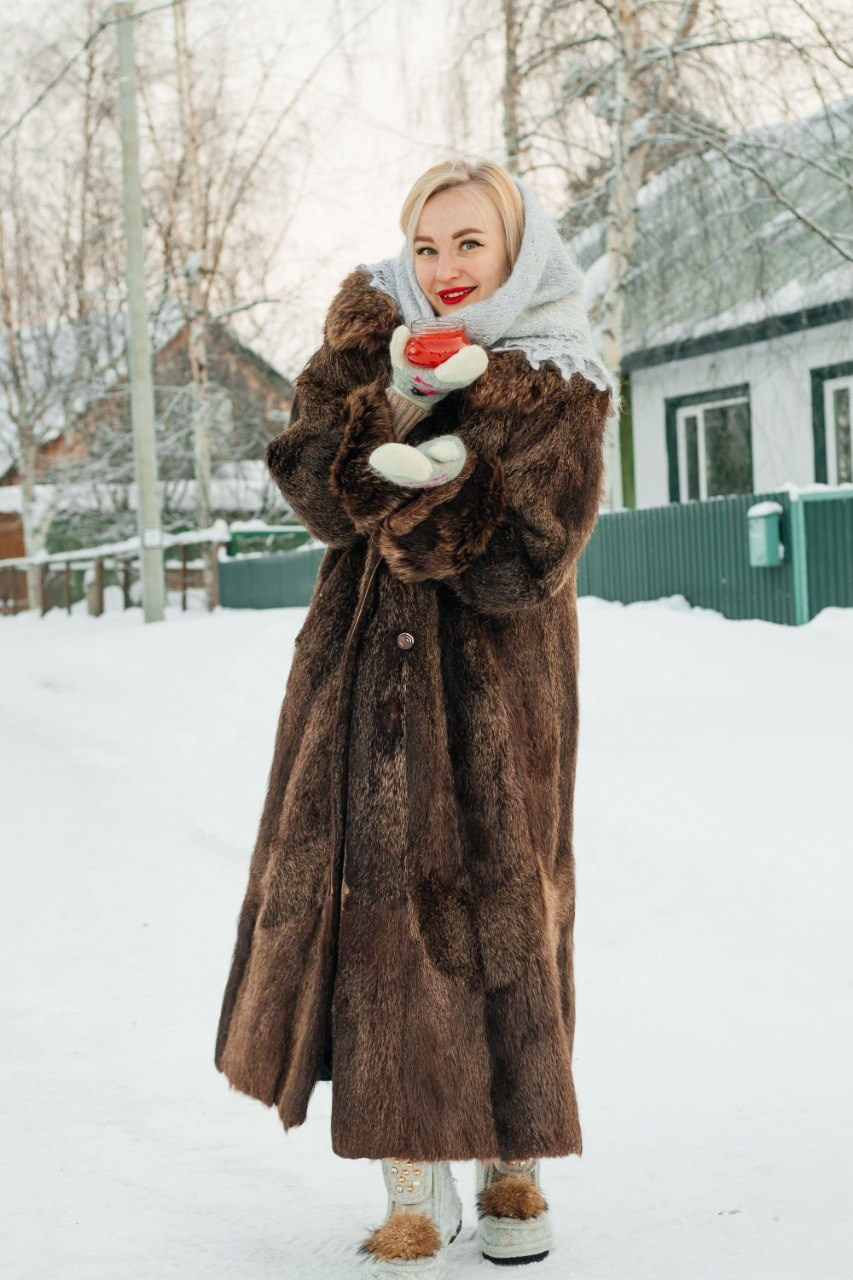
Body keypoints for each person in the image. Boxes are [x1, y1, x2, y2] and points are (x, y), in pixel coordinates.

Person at [214, 158, 616, 1277]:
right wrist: (383, 408)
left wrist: (434, 475)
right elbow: (305, 482)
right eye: (427, 246)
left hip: (501, 693)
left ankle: (510, 1163)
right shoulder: (363, 341)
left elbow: (523, 558)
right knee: (377, 915)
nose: (445, 270)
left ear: (515, 250)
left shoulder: (558, 380)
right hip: (359, 686)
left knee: (504, 912)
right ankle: (409, 1181)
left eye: (470, 245)